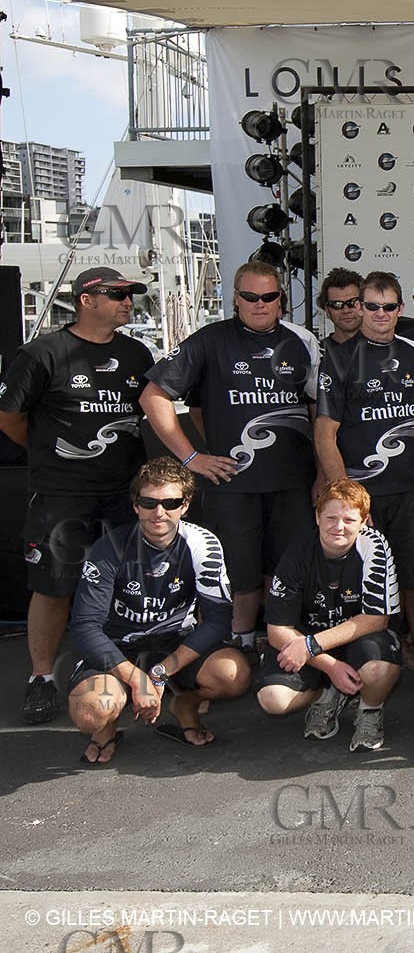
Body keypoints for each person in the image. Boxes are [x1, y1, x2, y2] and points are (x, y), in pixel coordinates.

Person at [142, 261, 320, 657]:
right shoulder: (209, 340)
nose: (260, 304)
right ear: (235, 299)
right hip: (233, 482)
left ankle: (282, 641)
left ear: (280, 300)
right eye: (250, 297)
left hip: (292, 478)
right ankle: (237, 642)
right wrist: (192, 458)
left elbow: (317, 412)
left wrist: (323, 471)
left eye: (269, 297)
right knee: (238, 571)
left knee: (288, 566)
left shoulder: (302, 341)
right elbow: (153, 395)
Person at [0, 266, 153, 725]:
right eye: (118, 293)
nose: (128, 301)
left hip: (124, 493)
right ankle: (42, 678)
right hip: (61, 496)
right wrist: (50, 453)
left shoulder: (136, 352)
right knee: (54, 586)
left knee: (126, 582)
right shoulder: (43, 352)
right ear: (87, 300)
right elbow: (9, 418)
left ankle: (121, 670)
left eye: (131, 294)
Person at [64, 457, 250, 763]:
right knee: (91, 711)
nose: (159, 512)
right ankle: (108, 725)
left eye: (170, 502)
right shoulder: (108, 547)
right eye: (148, 502)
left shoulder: (203, 543)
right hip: (118, 648)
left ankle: (184, 704)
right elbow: (84, 627)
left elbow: (217, 620)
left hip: (173, 644)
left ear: (185, 505)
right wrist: (137, 680)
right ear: (135, 505)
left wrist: (161, 673)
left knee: (233, 675)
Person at [314, 271, 414, 652]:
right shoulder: (338, 357)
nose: (380, 314)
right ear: (359, 308)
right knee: (359, 571)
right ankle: (358, 648)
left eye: (388, 306)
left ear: (401, 309)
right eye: (371, 306)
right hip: (362, 490)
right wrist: (347, 497)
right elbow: (324, 433)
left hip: (409, 487)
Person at [257, 478, 400, 752]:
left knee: (379, 669)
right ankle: (326, 693)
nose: (339, 527)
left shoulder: (374, 547)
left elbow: (376, 619)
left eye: (349, 519)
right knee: (273, 699)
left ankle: (370, 710)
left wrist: (310, 645)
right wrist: (329, 666)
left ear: (364, 520)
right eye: (331, 517)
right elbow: (277, 630)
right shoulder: (296, 552)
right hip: (310, 644)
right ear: (317, 516)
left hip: (358, 638)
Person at [318, 267, 365, 349]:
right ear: (327, 310)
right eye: (337, 304)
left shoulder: (387, 350)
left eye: (352, 302)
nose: (346, 310)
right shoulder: (317, 354)